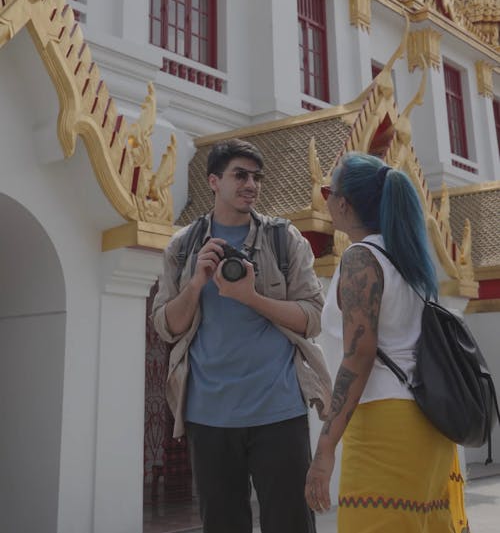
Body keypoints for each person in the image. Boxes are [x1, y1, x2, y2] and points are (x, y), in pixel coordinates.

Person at [153, 137, 332, 533]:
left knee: (290, 523)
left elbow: (313, 317)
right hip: (209, 414)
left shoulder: (285, 241)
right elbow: (166, 326)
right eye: (240, 175)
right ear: (214, 181)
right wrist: (196, 283)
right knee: (222, 524)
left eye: (256, 177)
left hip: (279, 411)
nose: (250, 184)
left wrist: (250, 298)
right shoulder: (183, 248)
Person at [305, 151, 470, 533]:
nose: (324, 198)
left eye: (328, 190)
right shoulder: (408, 259)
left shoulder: (362, 258)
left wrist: (326, 446)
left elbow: (359, 355)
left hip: (386, 424)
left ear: (344, 203)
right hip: (427, 421)